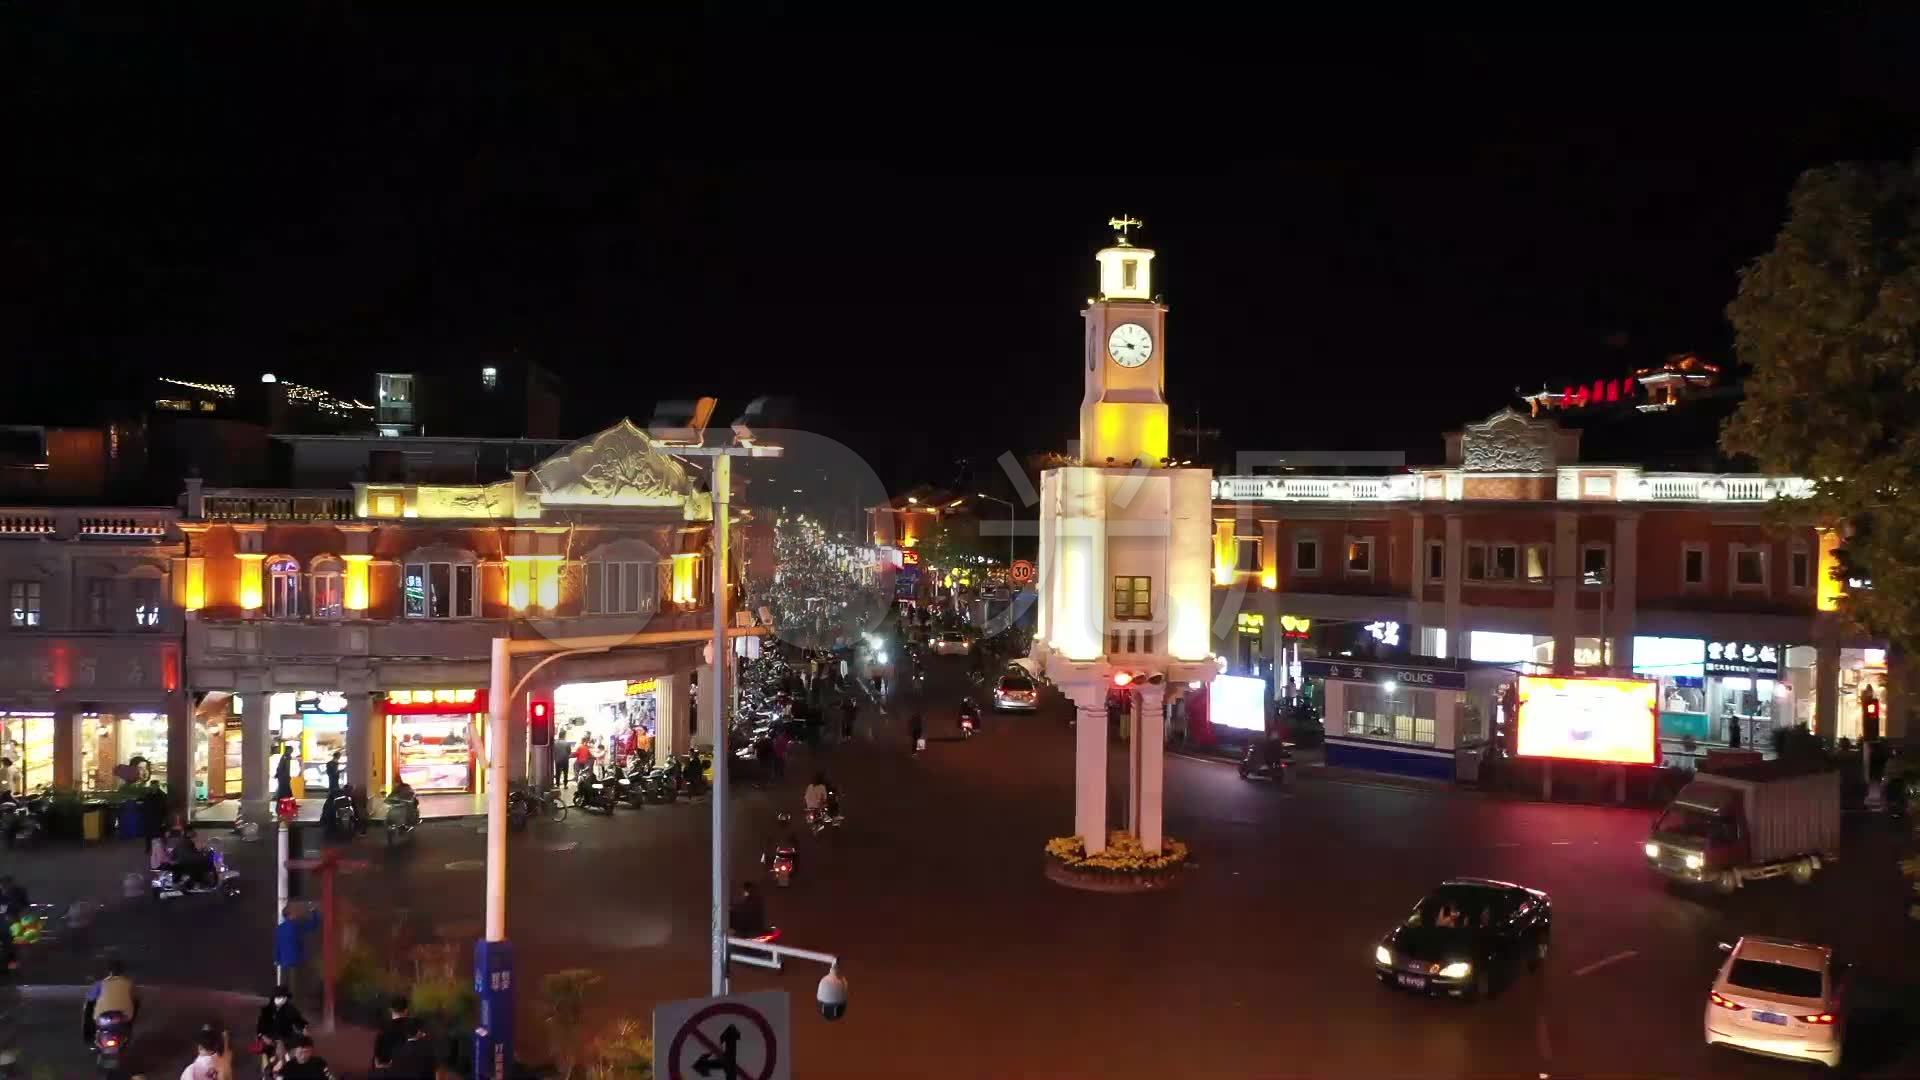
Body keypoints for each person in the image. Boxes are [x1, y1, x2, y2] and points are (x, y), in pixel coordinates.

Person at [82, 955, 137, 1046]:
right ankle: (129, 1035)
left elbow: (90, 999)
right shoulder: (129, 984)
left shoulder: (101, 983)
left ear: (109, 971)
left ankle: (88, 1037)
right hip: (124, 1017)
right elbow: (135, 999)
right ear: (123, 971)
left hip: (102, 1017)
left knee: (88, 1005)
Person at [275, 903, 322, 1000]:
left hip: (284, 961)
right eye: (294, 912)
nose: (296, 914)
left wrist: (277, 959)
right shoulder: (297, 926)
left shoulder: (280, 928)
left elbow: (278, 945)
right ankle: (293, 1005)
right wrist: (313, 911)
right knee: (294, 986)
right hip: (296, 960)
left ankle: (282, 1004)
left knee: (284, 985)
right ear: (290, 914)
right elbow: (314, 925)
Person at [255, 985, 307, 1069]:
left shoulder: (291, 1009)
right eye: (279, 996)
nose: (282, 999)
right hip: (269, 1039)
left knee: (300, 1046)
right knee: (276, 1046)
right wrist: (263, 1037)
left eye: (284, 997)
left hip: (287, 1038)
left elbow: (299, 1022)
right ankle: (272, 1067)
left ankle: (282, 1062)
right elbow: (260, 1029)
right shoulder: (267, 1010)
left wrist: (304, 1029)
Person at [371, 995, 412, 1072]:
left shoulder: (384, 1029)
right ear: (406, 1010)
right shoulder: (413, 1029)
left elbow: (377, 1061)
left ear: (390, 1010)